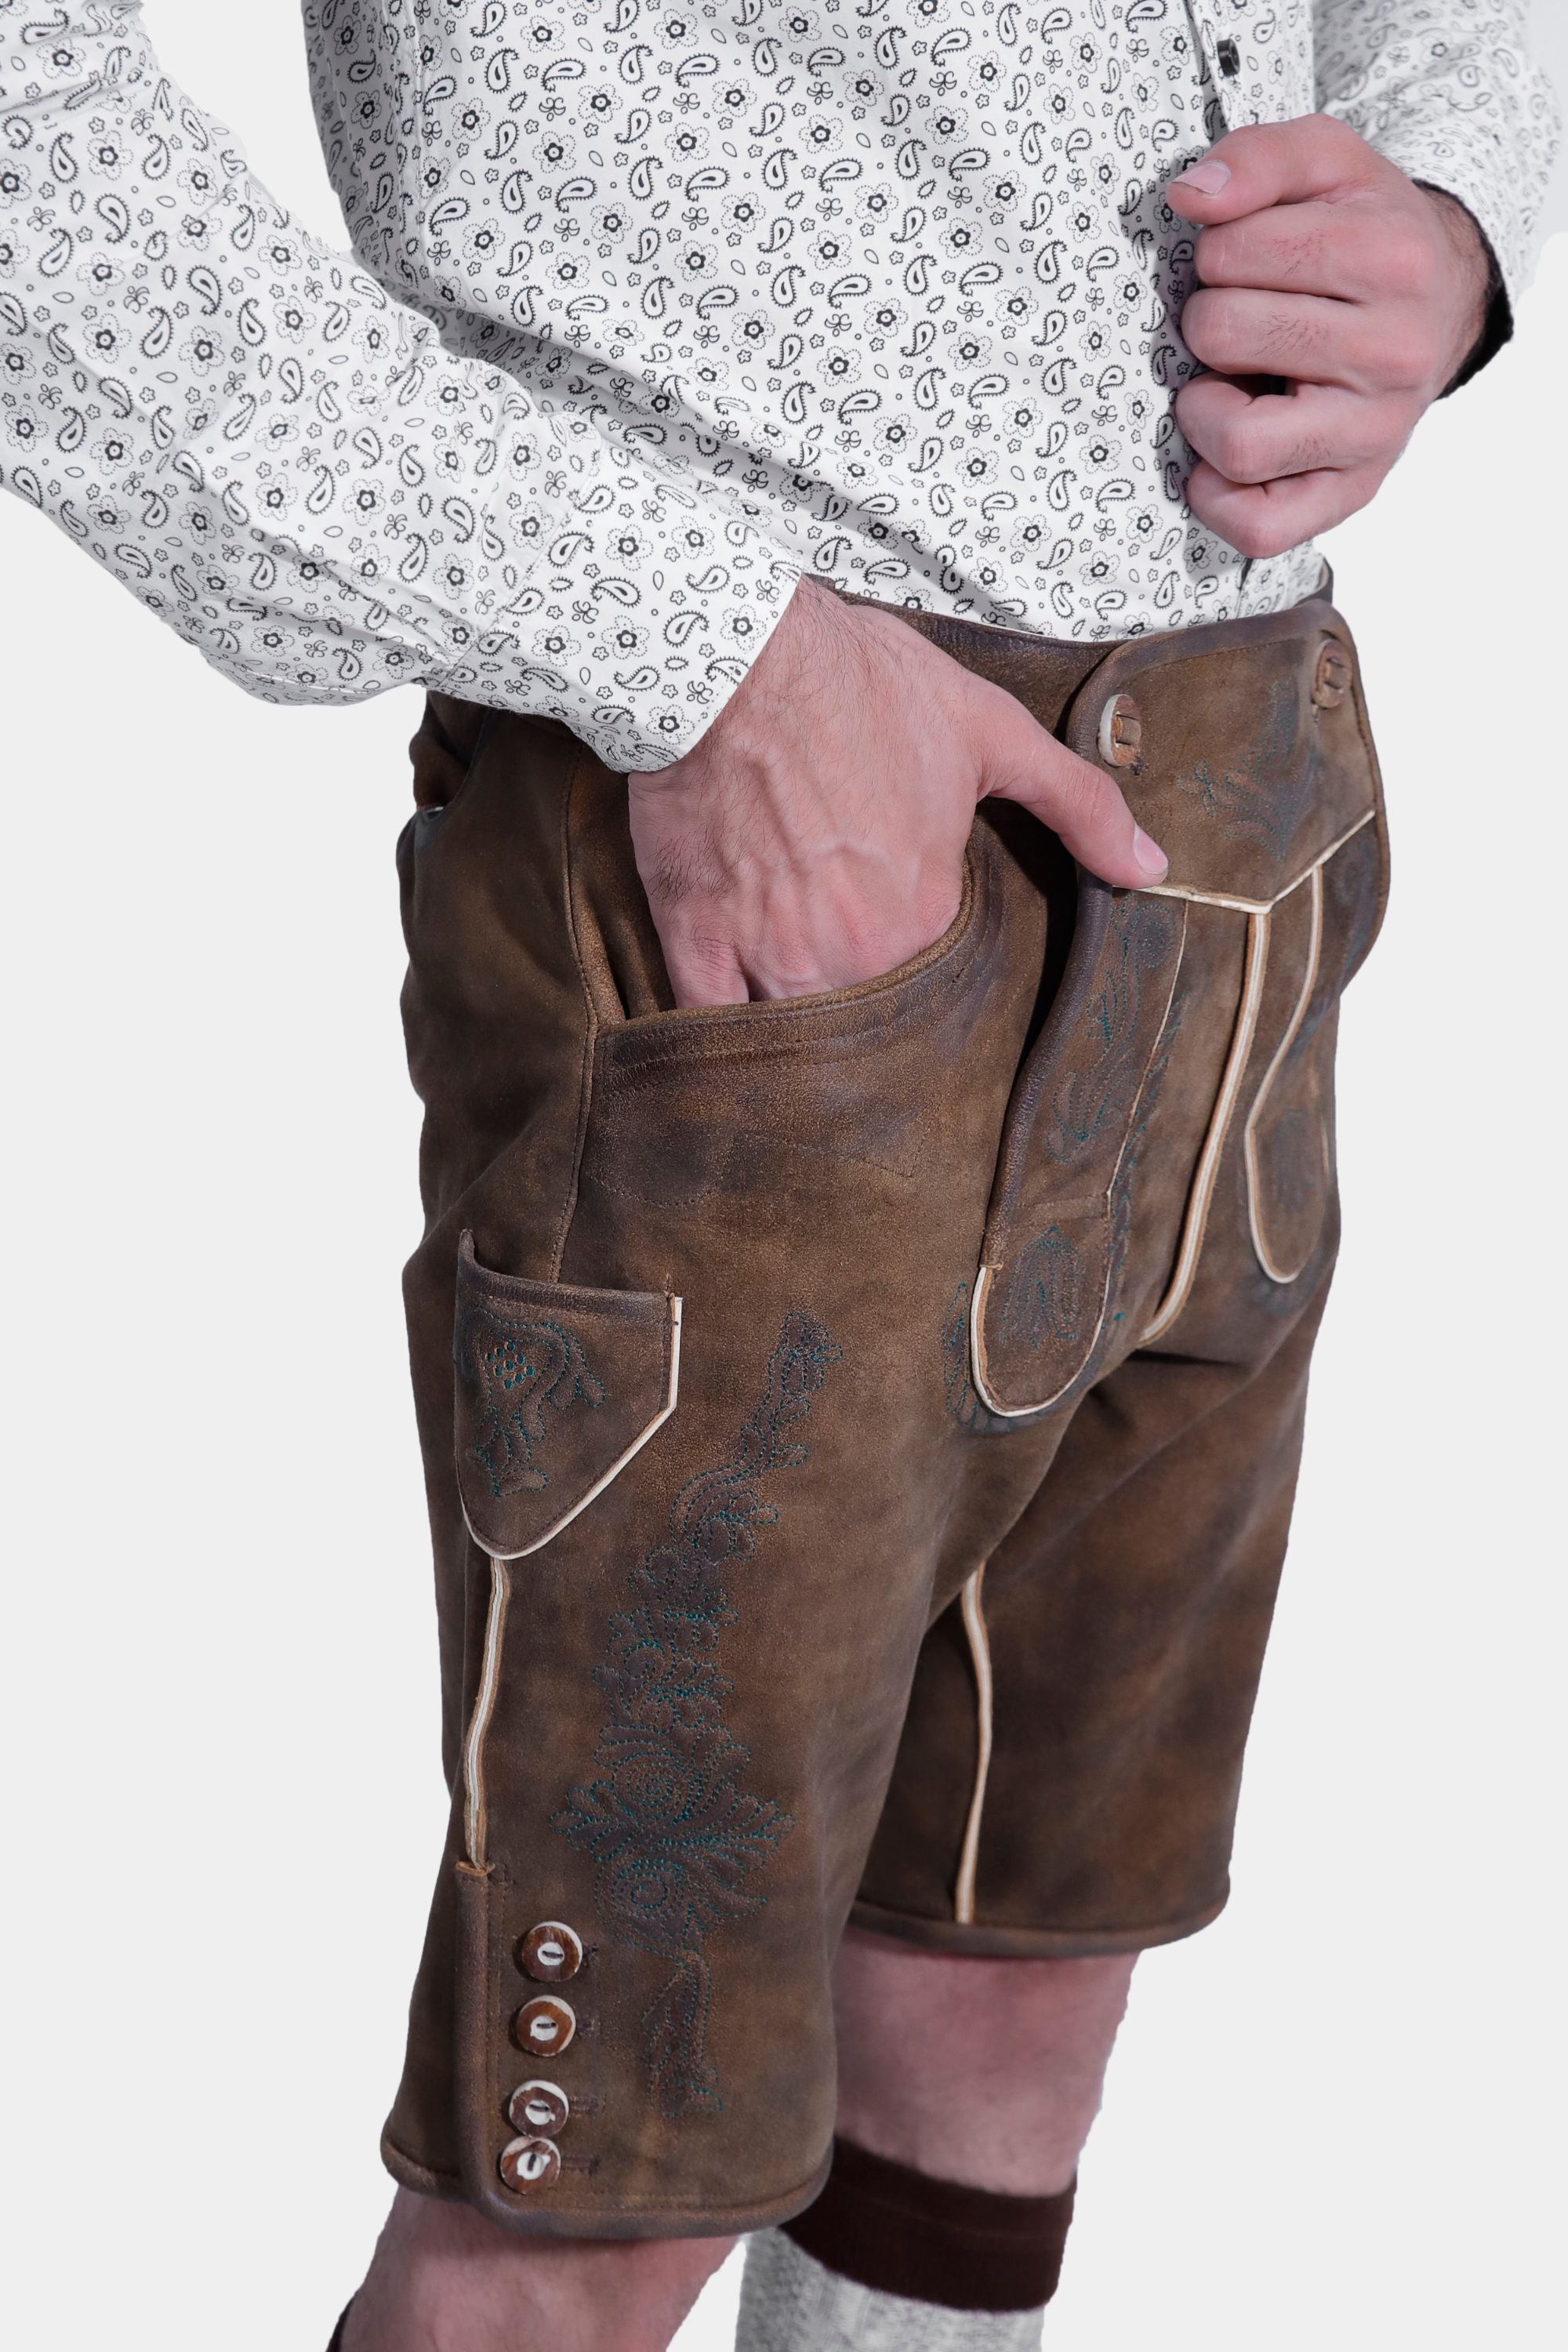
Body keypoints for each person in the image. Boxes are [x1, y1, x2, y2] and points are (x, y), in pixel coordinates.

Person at [1, 5, 1557, 2349]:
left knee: (1001, 2016)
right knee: (598, 2182)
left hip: (1246, 814)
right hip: (750, 876)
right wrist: (680, 639)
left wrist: (1449, 209)